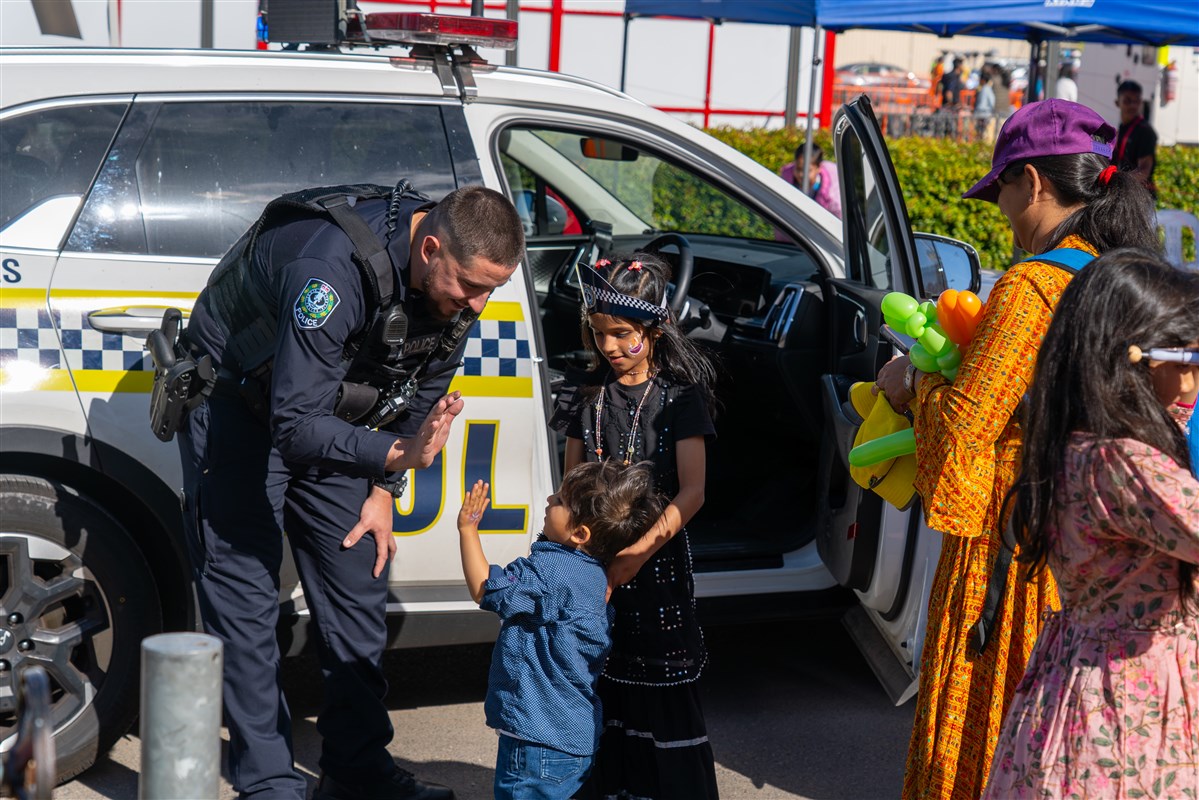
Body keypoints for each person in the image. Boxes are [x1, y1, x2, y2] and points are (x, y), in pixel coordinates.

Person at [179, 182, 525, 800]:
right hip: (240, 407)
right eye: (471, 286)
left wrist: (386, 486)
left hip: (327, 413)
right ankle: (268, 784)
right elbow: (294, 422)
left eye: (492, 289)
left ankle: (356, 769)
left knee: (357, 582)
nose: (478, 303)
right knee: (248, 600)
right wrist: (396, 453)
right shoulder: (329, 269)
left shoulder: (455, 294)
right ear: (431, 248)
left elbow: (423, 382)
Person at [872, 99, 1158, 800]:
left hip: (1008, 552)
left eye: (999, 188)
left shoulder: (1031, 286)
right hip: (1086, 547)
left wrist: (913, 384)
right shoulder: (1114, 276)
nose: (999, 206)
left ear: (1030, 182)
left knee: (980, 731)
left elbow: (964, 440)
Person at [982, 248, 1199, 798]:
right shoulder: (1122, 463)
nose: (1196, 370)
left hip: (1086, 687)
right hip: (1126, 711)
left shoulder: (1078, 442)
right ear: (1137, 361)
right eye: (1189, 353)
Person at [551, 253, 719, 799]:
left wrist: (637, 555)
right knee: (603, 686)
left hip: (657, 564)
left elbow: (692, 492)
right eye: (600, 336)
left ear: (654, 328)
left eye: (623, 335)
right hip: (595, 565)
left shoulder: (679, 400)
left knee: (660, 694)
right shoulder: (588, 399)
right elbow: (569, 489)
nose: (611, 349)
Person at [456, 462, 663, 800]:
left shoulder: (554, 570)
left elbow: (486, 589)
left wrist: (468, 529)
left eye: (561, 501)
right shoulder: (594, 575)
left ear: (581, 534)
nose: (550, 499)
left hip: (538, 738)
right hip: (572, 736)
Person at [1115, 80, 1158, 195]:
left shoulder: (1145, 131)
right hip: (1125, 191)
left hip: (1140, 197)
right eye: (1127, 100)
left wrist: (1117, 181)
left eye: (1137, 100)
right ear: (1117, 102)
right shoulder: (1122, 127)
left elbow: (1144, 171)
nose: (1133, 105)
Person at [780, 142, 842, 219]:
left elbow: (839, 218)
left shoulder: (830, 195)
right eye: (798, 169)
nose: (801, 174)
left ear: (818, 168)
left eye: (808, 171)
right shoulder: (786, 183)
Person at [973, 65, 996, 141]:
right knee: (980, 133)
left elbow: (991, 101)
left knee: (982, 133)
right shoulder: (984, 89)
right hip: (983, 113)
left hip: (983, 114)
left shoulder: (986, 89)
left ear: (983, 80)